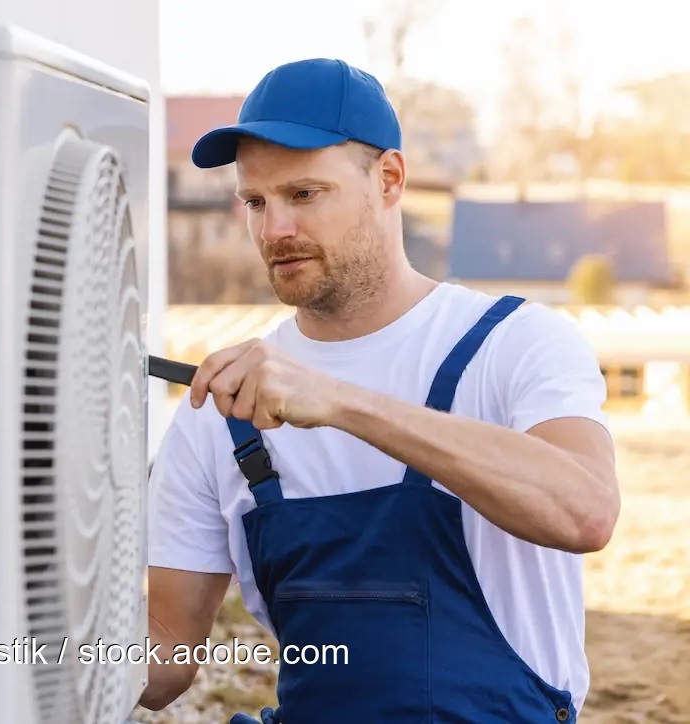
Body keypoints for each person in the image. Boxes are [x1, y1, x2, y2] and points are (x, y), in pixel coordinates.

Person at [140, 58, 619, 723]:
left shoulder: (513, 343)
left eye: (304, 194)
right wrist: (15, 645)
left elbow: (586, 511)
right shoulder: (219, 410)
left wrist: (342, 402)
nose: (273, 230)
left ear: (389, 178)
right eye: (256, 202)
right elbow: (166, 654)